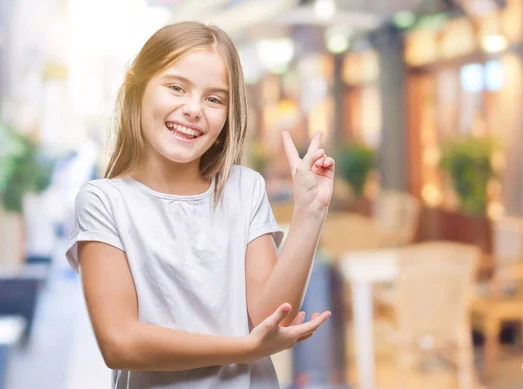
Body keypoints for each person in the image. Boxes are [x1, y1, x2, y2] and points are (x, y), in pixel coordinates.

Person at [65, 22, 335, 389]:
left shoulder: (244, 188)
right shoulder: (103, 201)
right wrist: (244, 348)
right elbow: (120, 343)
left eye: (214, 98)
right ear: (136, 87)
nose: (194, 109)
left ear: (227, 116)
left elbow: (273, 321)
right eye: (176, 87)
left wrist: (310, 210)